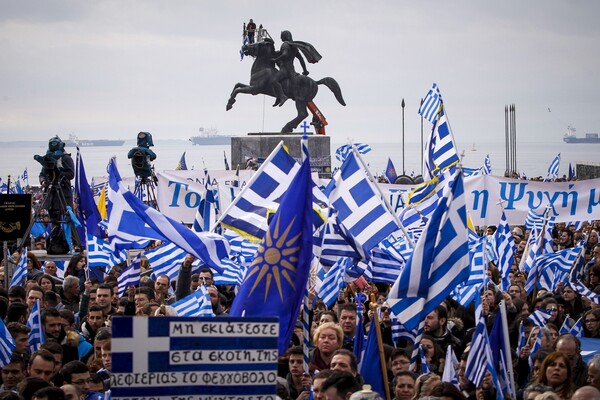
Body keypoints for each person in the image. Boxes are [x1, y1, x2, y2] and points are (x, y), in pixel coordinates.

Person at [271, 30, 321, 107]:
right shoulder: (293, 46)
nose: (280, 38)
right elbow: (301, 58)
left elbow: (285, 55)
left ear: (285, 36)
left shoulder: (285, 45)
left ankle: (282, 96)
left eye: (281, 36)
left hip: (285, 69)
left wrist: (275, 60)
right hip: (292, 70)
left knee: (274, 81)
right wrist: (305, 70)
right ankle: (279, 96)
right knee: (280, 82)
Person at [34, 135, 75, 223]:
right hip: (51, 195)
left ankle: (66, 236)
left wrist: (60, 173)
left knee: (66, 221)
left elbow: (71, 174)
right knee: (53, 221)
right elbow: (42, 174)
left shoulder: (66, 158)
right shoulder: (48, 159)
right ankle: (55, 235)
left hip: (63, 194)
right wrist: (43, 181)